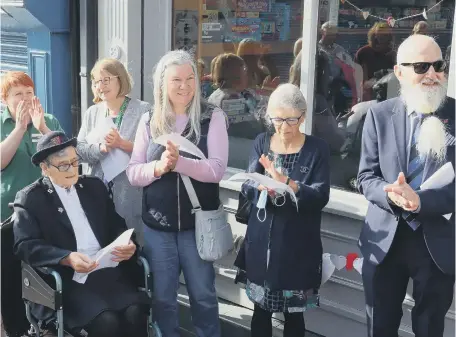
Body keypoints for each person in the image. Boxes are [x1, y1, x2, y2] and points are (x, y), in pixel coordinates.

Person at [357, 34, 454, 337]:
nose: (432, 74)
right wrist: (389, 194)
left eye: (438, 65)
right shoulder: (379, 114)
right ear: (399, 72)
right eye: (422, 66)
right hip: (385, 241)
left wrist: (421, 201)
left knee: (429, 328)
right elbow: (366, 177)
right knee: (380, 327)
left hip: (435, 243)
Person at [127, 50, 228, 337]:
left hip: (199, 227)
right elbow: (134, 173)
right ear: (162, 84)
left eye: (190, 78)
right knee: (163, 300)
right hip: (159, 227)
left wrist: (180, 163)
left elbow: (217, 169)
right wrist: (159, 167)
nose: (184, 86)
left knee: (204, 298)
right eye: (176, 80)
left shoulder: (213, 116)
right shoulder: (148, 120)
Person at [13, 131, 149, 337]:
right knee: (106, 322)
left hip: (107, 271)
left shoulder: (93, 187)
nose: (72, 169)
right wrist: (66, 258)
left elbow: (116, 225)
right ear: (45, 168)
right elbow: (24, 245)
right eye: (63, 165)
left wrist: (128, 244)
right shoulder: (31, 198)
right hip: (69, 280)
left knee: (135, 313)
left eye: (75, 162)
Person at [234, 83, 330, 337]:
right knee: (260, 312)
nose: (284, 126)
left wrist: (288, 184)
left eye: (291, 120)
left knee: (294, 315)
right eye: (277, 119)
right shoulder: (262, 142)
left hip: (298, 246)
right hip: (261, 243)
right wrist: (264, 189)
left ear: (303, 116)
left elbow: (320, 196)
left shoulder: (317, 149)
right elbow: (248, 183)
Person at [77, 58, 151, 243]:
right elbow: (78, 151)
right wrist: (101, 148)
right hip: (97, 193)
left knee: (130, 247)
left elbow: (152, 153)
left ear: (121, 79)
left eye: (106, 80)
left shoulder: (143, 110)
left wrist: (121, 144)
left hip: (130, 195)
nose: (101, 86)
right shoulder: (92, 113)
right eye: (96, 81)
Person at [1, 71, 62, 222]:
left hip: (47, 202)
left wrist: (43, 128)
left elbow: (66, 155)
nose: (25, 98)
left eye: (29, 92)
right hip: (9, 206)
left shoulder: (49, 120)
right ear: (4, 99)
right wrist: (19, 129)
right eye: (18, 94)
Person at [355, 22, 396, 101]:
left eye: (385, 35)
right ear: (374, 35)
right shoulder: (364, 53)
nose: (382, 38)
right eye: (380, 35)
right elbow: (360, 81)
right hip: (368, 96)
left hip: (388, 96)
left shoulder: (392, 54)